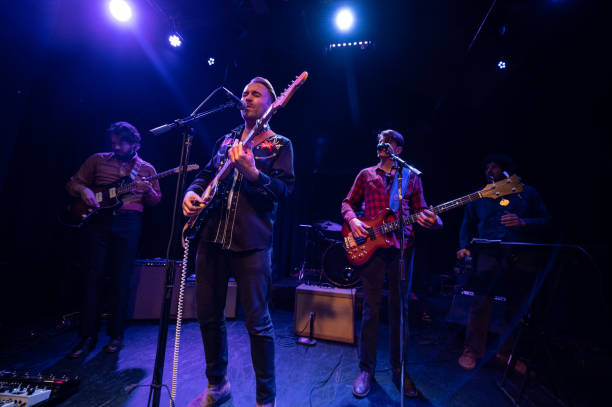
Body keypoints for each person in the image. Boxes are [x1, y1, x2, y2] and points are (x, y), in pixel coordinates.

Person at [183, 77, 294, 407]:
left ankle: (265, 400)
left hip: (252, 246)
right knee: (208, 315)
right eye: (244, 92)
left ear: (272, 103)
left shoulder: (280, 144)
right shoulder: (226, 139)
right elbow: (205, 174)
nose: (246, 97)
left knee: (258, 324)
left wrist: (254, 174)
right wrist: (191, 192)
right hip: (211, 239)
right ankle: (218, 385)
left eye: (255, 94)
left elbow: (283, 191)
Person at [341, 129, 443, 399]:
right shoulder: (366, 174)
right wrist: (353, 221)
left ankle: (399, 369)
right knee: (371, 311)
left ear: (397, 149)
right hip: (372, 249)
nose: (381, 144)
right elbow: (347, 203)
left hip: (402, 249)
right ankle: (366, 370)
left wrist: (432, 220)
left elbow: (421, 210)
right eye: (379, 140)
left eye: (387, 141)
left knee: (401, 311)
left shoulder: (411, 177)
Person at [66, 121, 161, 358]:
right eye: (114, 142)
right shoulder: (97, 160)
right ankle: (87, 337)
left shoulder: (146, 169)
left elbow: (156, 199)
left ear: (135, 144)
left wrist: (147, 191)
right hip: (100, 222)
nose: (116, 146)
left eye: (122, 143)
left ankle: (116, 335)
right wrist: (84, 191)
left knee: (122, 279)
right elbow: (73, 183)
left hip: (129, 223)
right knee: (93, 278)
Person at [456, 153, 551, 370]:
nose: (489, 171)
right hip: (487, 255)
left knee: (515, 307)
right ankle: (472, 350)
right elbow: (467, 223)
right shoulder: (480, 196)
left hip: (520, 256)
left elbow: (546, 221)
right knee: (480, 304)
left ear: (507, 170)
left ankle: (507, 353)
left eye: (495, 167)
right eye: (487, 167)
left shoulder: (527, 193)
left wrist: (523, 222)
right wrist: (463, 246)